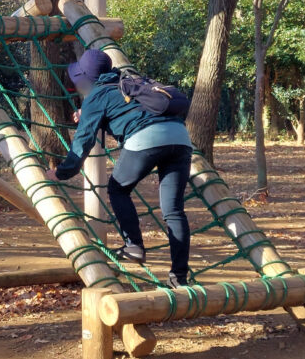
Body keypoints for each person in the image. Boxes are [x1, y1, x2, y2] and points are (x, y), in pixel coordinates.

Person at [45, 49, 194, 289]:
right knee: (174, 211)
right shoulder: (128, 82)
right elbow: (129, 108)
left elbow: (83, 141)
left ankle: (133, 246)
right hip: (181, 138)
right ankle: (179, 278)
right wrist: (88, 114)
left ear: (86, 78)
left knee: (117, 189)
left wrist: (62, 172)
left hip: (146, 139)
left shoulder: (96, 96)